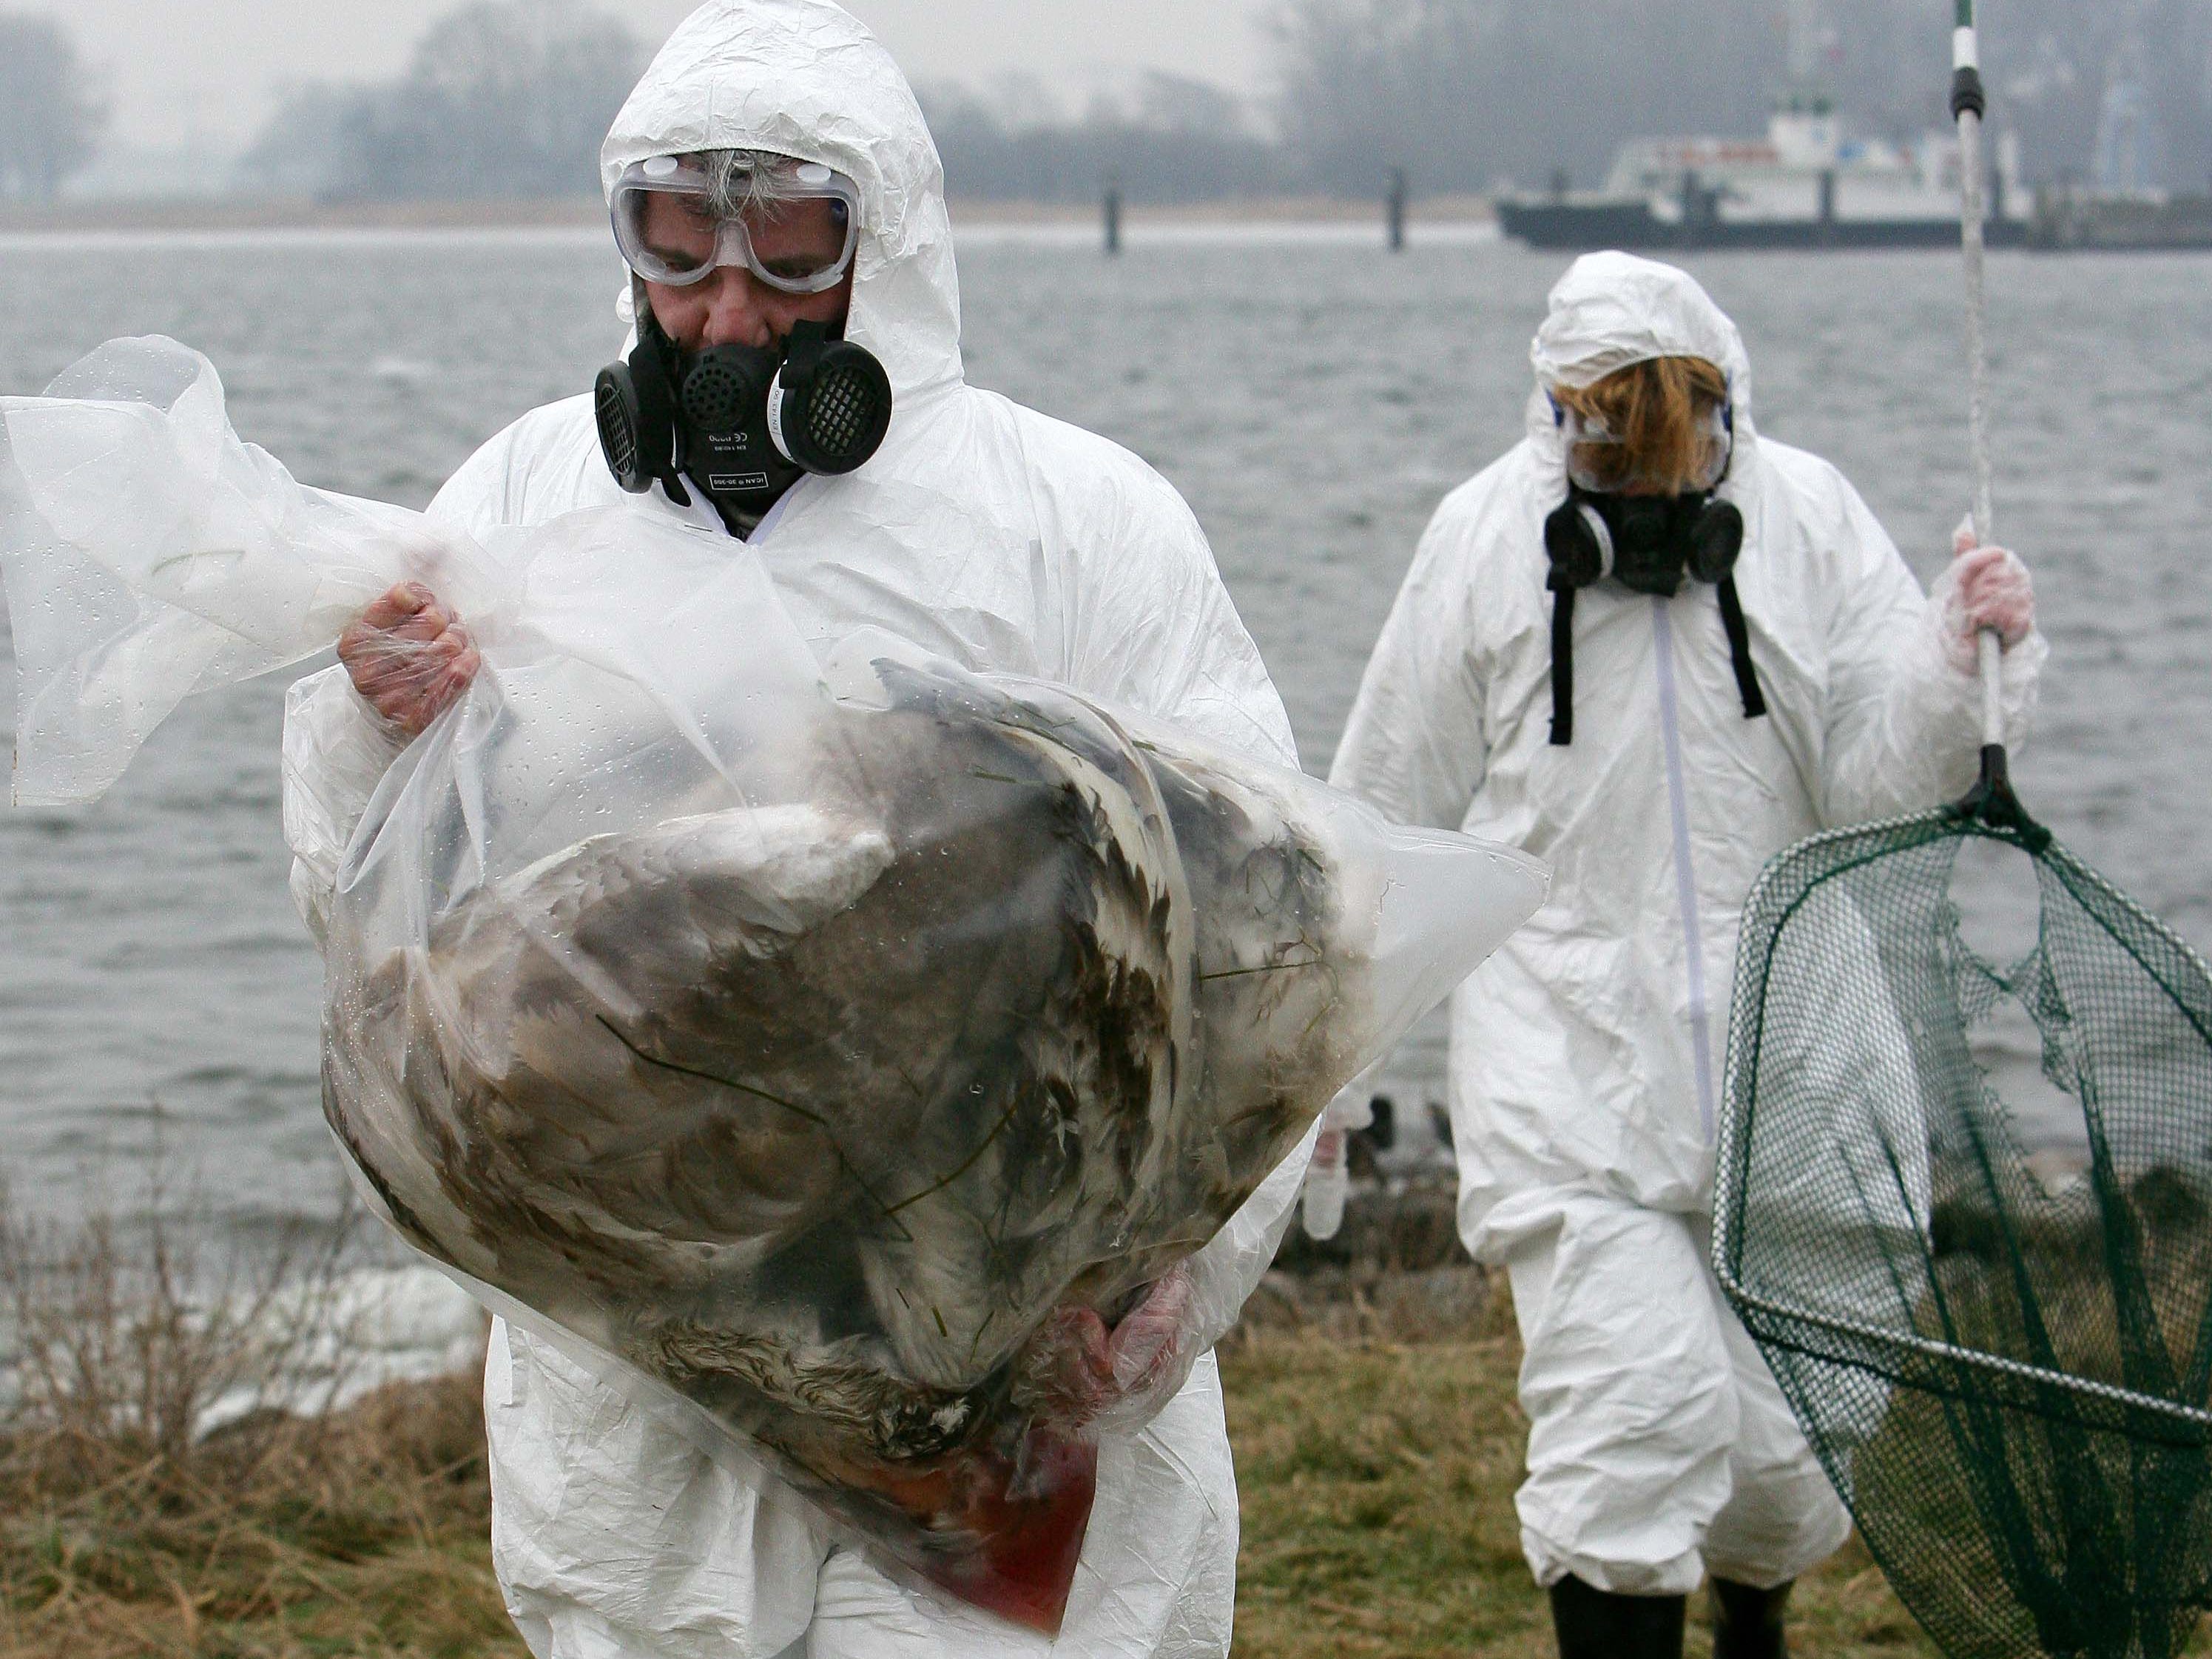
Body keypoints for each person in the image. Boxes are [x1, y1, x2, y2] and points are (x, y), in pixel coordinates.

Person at [279, 2, 1311, 1655]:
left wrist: (1199, 1262)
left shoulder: (1074, 525)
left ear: (885, 248)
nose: (727, 318)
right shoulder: (520, 510)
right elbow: (375, 922)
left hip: (999, 1331)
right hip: (645, 1357)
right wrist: (367, 729)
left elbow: (1263, 924)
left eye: (787, 258)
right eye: (680, 258)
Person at [1326, 251, 2043, 1659]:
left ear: (1727, 419)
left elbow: (1875, 792)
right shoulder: (1481, 539)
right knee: (1628, 1425)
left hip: (1803, 1051)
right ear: (1560, 425)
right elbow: (1379, 810)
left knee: (1784, 1467)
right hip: (1566, 1051)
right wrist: (1323, 1073)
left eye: (1679, 450)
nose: (1649, 489)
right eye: (1613, 451)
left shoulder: (1810, 520)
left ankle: (1756, 1617)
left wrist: (1958, 671)